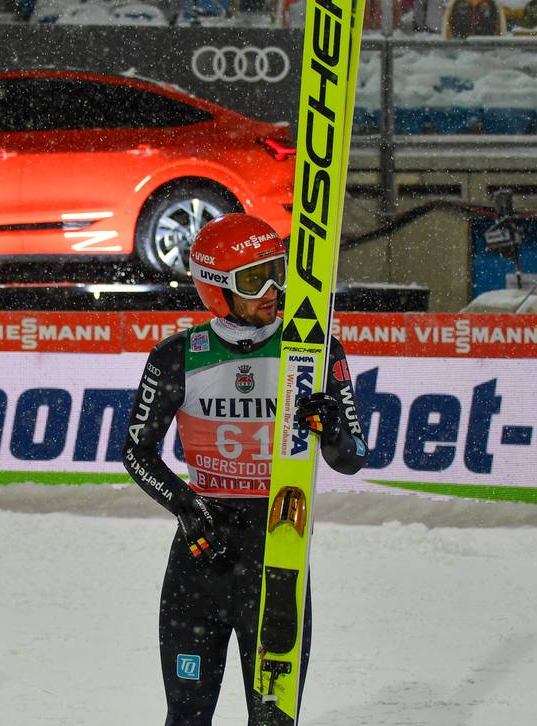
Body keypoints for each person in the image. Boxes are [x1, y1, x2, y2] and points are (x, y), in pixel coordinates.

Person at [123, 214, 369, 725]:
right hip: (201, 559)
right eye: (256, 279)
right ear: (216, 290)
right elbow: (137, 453)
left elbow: (351, 459)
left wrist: (332, 428)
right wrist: (186, 507)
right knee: (186, 717)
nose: (274, 289)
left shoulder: (314, 351)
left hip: (275, 554)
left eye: (278, 271)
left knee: (273, 721)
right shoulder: (178, 357)